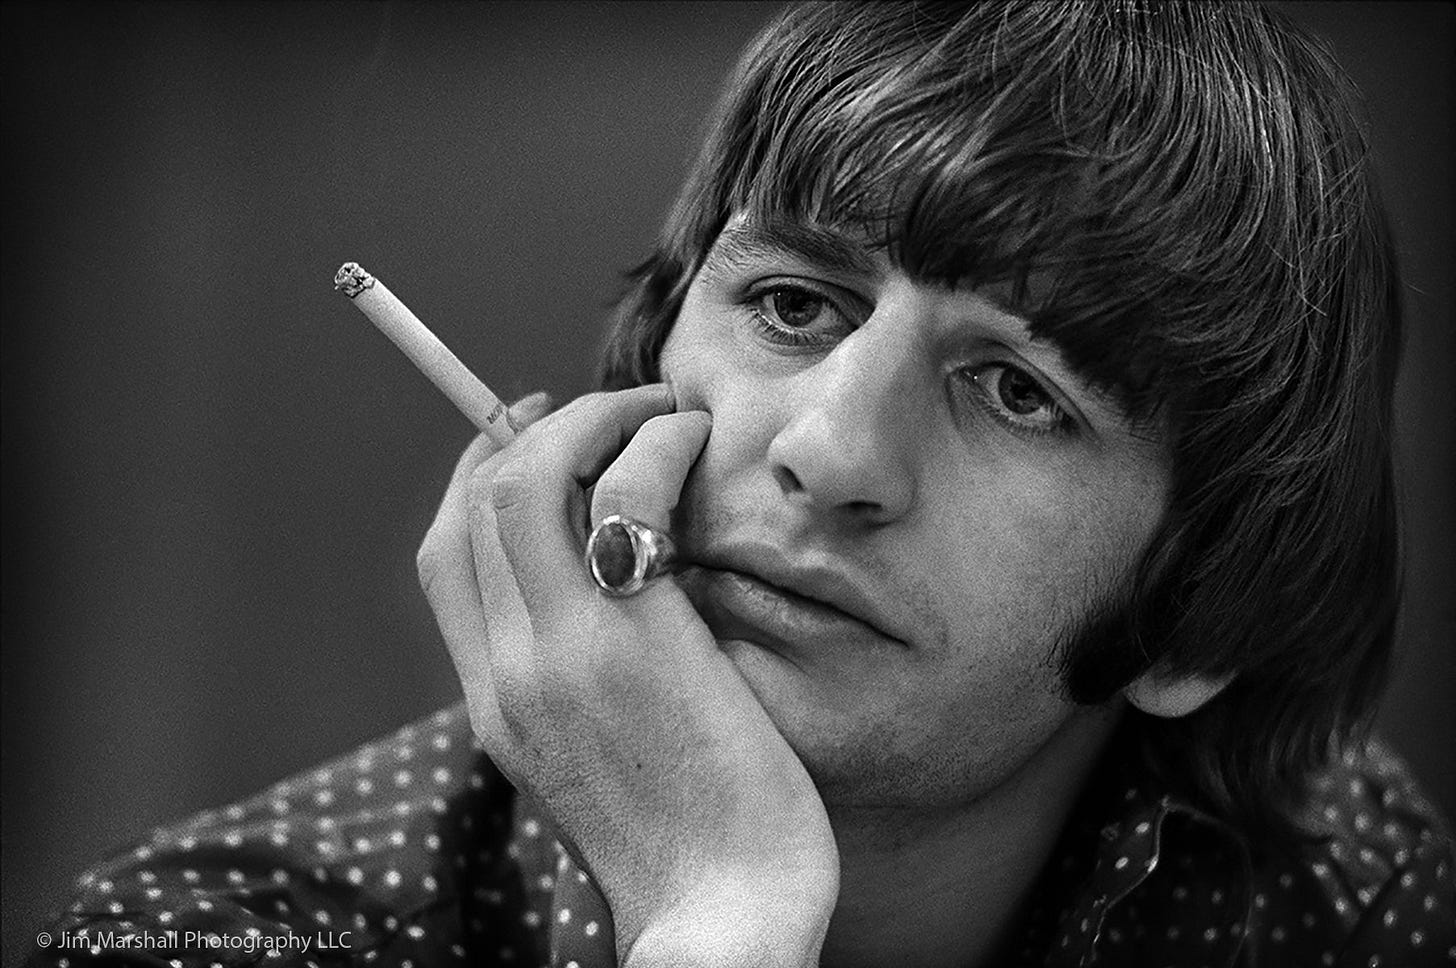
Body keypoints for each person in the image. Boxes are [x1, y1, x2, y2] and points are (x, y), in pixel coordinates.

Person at [27, 2, 1455, 966]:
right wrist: (726, 915)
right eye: (793, 305)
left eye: (1020, 390)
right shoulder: (221, 931)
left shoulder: (1342, 894)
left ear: (1199, 614)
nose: (830, 454)